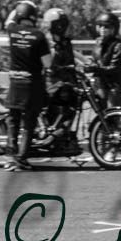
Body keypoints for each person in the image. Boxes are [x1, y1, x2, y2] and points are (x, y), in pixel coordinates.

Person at [2, 0, 49, 171]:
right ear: (33, 17)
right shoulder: (38, 36)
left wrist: (16, 8)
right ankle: (22, 159)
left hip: (15, 82)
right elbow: (48, 63)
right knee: (28, 123)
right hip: (32, 84)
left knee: (13, 121)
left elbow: (8, 21)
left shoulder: (12, 31)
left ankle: (9, 158)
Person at [40, 8, 80, 141]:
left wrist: (76, 78)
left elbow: (71, 62)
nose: (63, 27)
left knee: (75, 101)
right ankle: (52, 134)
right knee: (61, 102)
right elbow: (47, 65)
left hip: (64, 83)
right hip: (50, 84)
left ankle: (63, 133)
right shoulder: (46, 42)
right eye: (60, 24)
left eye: (64, 23)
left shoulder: (65, 42)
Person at [87, 12, 121, 108]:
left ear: (114, 29)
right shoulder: (98, 42)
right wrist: (88, 67)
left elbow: (114, 68)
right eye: (100, 26)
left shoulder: (118, 45)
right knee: (101, 114)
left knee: (112, 114)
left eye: (106, 27)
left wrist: (96, 69)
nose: (102, 29)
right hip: (100, 84)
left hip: (115, 86)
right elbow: (94, 60)